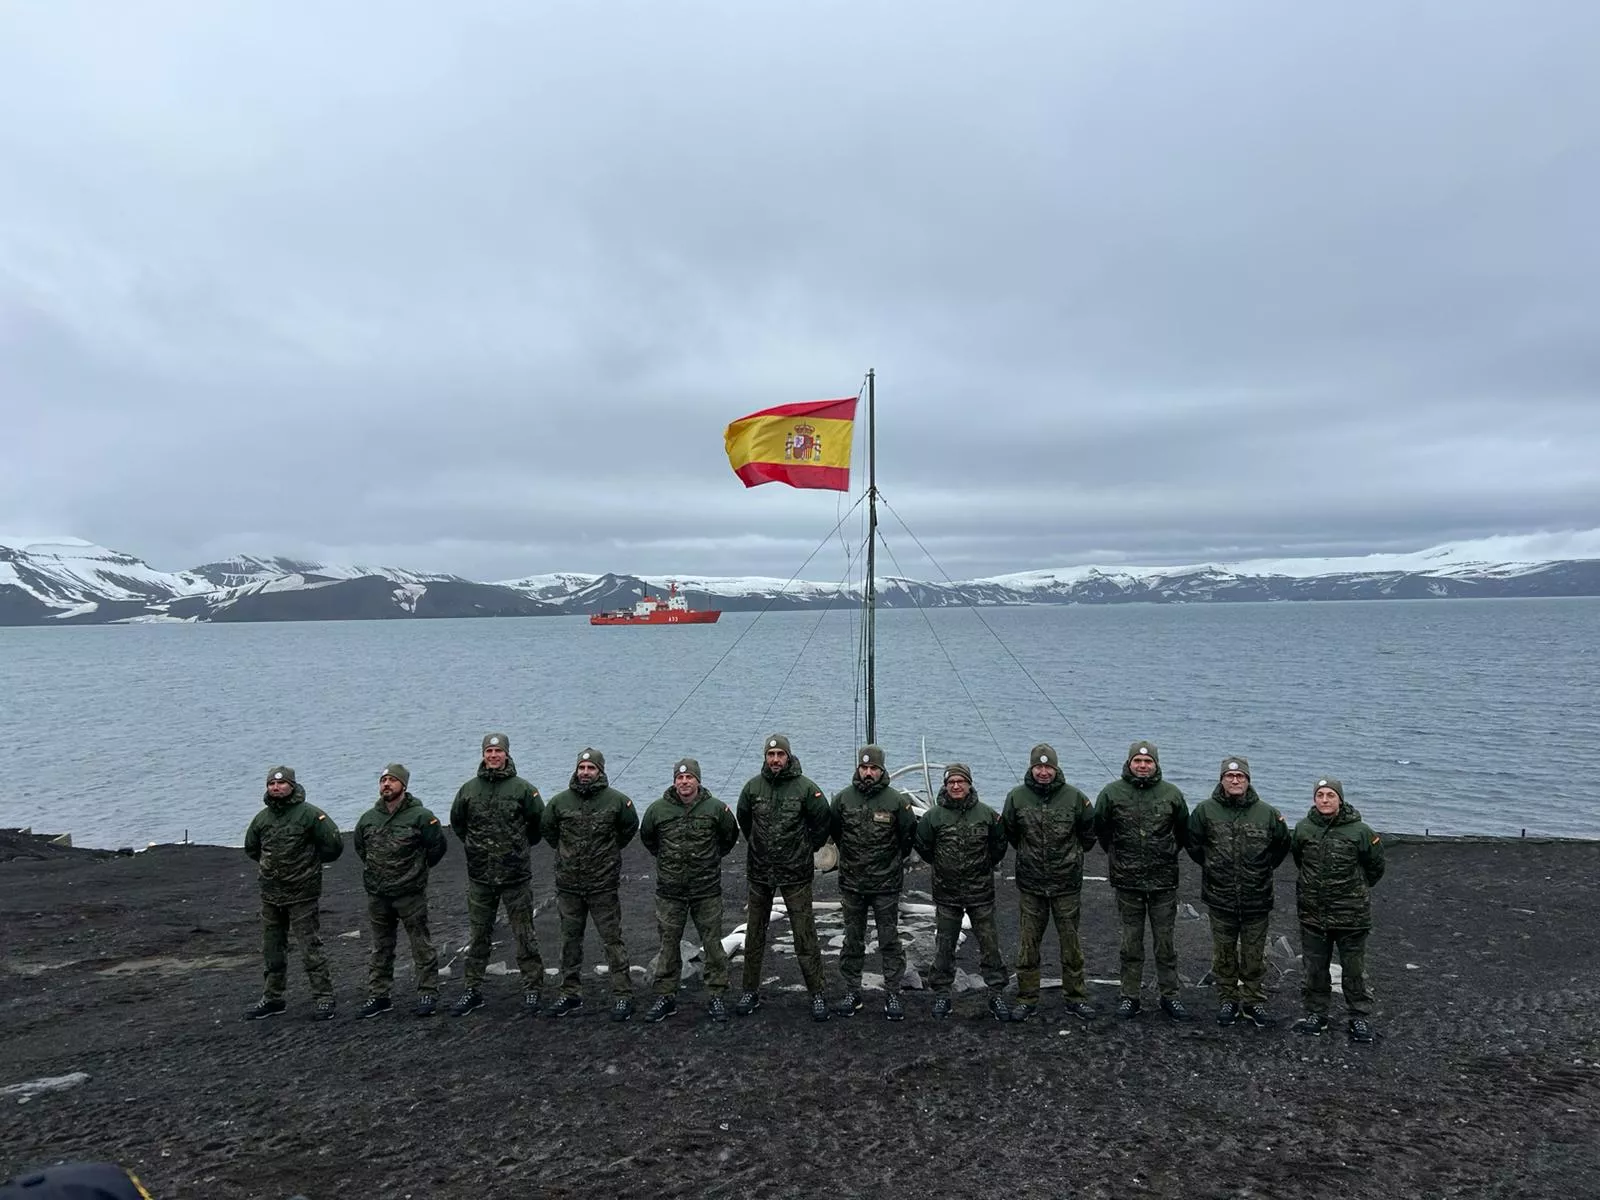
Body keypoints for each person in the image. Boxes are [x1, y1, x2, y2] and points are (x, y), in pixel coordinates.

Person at [1187, 755, 1291, 1028]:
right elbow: (1194, 845)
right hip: (1220, 897)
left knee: (1254, 954)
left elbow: (1280, 846)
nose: (1235, 780)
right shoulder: (1204, 811)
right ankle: (1228, 999)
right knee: (1223, 953)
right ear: (1221, 780)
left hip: (1257, 897)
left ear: (1248, 780)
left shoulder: (1267, 813)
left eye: (1240, 777)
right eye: (1229, 776)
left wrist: (1261, 870)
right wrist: (1213, 866)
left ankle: (1253, 1001)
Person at [734, 733, 832, 1021]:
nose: (775, 760)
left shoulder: (806, 788)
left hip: (795, 874)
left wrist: (804, 849)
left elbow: (821, 823)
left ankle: (817, 993)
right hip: (760, 872)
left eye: (780, 755)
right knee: (754, 934)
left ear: (789, 756)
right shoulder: (752, 788)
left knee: (805, 936)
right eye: (770, 755)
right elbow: (745, 821)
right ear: (765, 757)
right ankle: (749, 991)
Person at [1093, 741, 1194, 1021]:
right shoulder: (1111, 793)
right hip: (1127, 882)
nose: (1142, 766)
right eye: (1137, 761)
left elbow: (1184, 831)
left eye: (1148, 762)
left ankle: (1169, 995)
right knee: (1130, 943)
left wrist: (1168, 853)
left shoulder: (1172, 794)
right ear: (1129, 763)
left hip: (1163, 882)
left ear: (1156, 764)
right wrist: (1118, 856)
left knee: (1166, 944)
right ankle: (1130, 996)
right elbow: (1101, 829)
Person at [447, 732, 546, 1016]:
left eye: (497, 751)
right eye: (488, 751)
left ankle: (532, 988)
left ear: (507, 754)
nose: (493, 756)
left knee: (524, 934)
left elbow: (538, 825)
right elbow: (458, 824)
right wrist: (478, 850)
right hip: (480, 877)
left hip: (515, 876)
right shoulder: (468, 790)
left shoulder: (524, 789)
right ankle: (472, 989)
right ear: (483, 755)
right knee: (478, 936)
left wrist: (517, 847)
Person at [639, 757, 741, 1022]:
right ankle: (666, 996)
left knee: (713, 945)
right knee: (668, 945)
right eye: (679, 778)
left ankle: (716, 995)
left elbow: (729, 837)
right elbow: (649, 839)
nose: (684, 782)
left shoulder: (716, 809)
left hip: (706, 890)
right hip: (670, 892)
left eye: (689, 778)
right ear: (674, 781)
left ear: (698, 780)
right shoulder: (657, 810)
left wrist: (710, 859)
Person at [542, 747, 640, 1021]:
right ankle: (570, 993)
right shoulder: (559, 802)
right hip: (569, 886)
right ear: (576, 770)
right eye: (582, 769)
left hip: (603, 885)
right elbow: (550, 832)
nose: (585, 773)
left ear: (600, 771)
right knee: (570, 941)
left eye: (591, 769)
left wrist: (608, 853)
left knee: (612, 941)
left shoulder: (618, 802)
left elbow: (628, 829)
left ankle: (623, 995)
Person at [1003, 743, 1098, 1023]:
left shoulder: (1075, 798)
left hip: (1066, 884)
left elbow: (1088, 834)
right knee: (1028, 945)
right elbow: (1009, 832)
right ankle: (1027, 998)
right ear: (1031, 768)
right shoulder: (1016, 797)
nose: (1043, 772)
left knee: (1071, 945)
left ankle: (1076, 998)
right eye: (1038, 766)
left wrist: (1070, 859)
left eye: (1048, 767)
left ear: (1056, 768)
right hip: (1031, 885)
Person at [242, 766, 343, 1020]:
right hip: (271, 895)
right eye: (271, 785)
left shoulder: (309, 815)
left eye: (281, 784)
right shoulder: (262, 819)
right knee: (272, 949)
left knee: (310, 947)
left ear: (292, 786)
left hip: (302, 893)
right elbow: (252, 848)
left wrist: (309, 865)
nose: (275, 788)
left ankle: (324, 998)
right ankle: (273, 998)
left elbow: (333, 845)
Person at [1290, 775, 1386, 1043]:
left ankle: (1359, 1017)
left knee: (1353, 970)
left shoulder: (1361, 831)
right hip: (1313, 914)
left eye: (1330, 795)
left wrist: (1354, 890)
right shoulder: (1303, 829)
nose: (1324, 800)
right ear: (1314, 799)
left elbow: (1375, 867)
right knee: (1315, 969)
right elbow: (1299, 859)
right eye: (1320, 795)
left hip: (1351, 916)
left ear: (1340, 799)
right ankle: (1316, 1014)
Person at [914, 763, 1011, 1020]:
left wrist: (983, 867)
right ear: (945, 786)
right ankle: (942, 995)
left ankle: (997, 994)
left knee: (990, 946)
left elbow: (999, 845)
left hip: (981, 893)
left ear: (969, 783)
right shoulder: (933, 817)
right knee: (944, 947)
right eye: (950, 782)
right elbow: (924, 846)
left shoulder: (987, 815)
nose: (956, 786)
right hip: (947, 893)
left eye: (960, 781)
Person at [829, 744, 917, 1021]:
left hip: (886, 885)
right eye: (864, 768)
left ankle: (892, 992)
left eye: (873, 768)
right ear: (858, 768)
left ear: (882, 770)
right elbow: (836, 833)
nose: (868, 773)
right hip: (853, 884)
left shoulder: (896, 801)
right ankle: (853, 992)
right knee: (852, 941)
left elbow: (907, 838)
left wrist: (888, 864)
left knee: (889, 941)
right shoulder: (843, 799)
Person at [353, 763, 448, 1018]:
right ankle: (379, 995)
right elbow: (361, 848)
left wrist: (417, 871)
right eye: (383, 780)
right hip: (378, 893)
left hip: (410, 893)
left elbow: (436, 848)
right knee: (381, 946)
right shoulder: (368, 819)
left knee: (421, 944)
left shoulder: (421, 816)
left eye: (392, 780)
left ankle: (427, 992)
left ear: (403, 785)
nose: (386, 784)